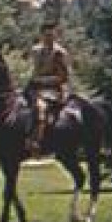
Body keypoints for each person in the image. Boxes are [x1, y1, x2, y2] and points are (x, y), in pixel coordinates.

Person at [26, 23, 72, 155]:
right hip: (35, 87)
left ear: (56, 36)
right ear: (41, 36)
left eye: (51, 35)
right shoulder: (35, 51)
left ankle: (37, 141)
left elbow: (63, 77)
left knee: (41, 106)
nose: (49, 38)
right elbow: (33, 70)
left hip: (54, 88)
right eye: (46, 35)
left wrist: (42, 80)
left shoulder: (59, 53)